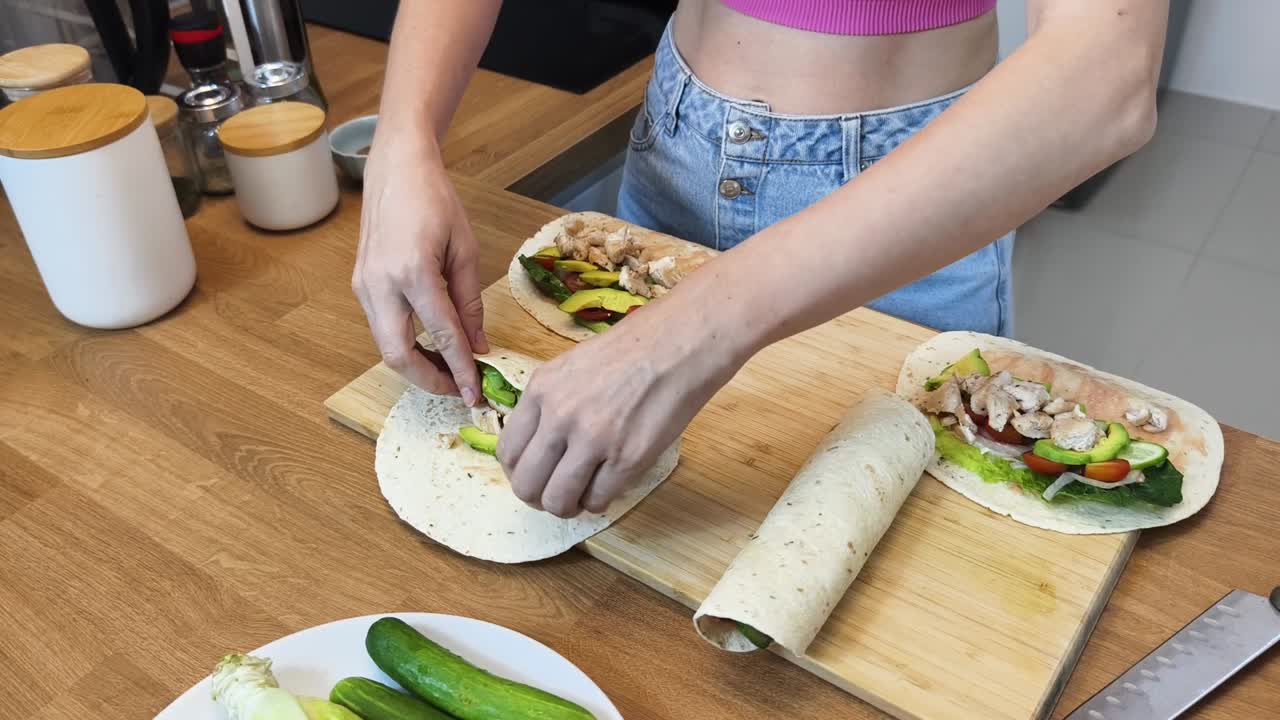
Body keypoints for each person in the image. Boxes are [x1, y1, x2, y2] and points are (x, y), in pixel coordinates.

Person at [353, 1, 1168, 518]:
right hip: (673, 150)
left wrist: (698, 327)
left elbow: (1107, 75)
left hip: (905, 203)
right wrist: (402, 141)